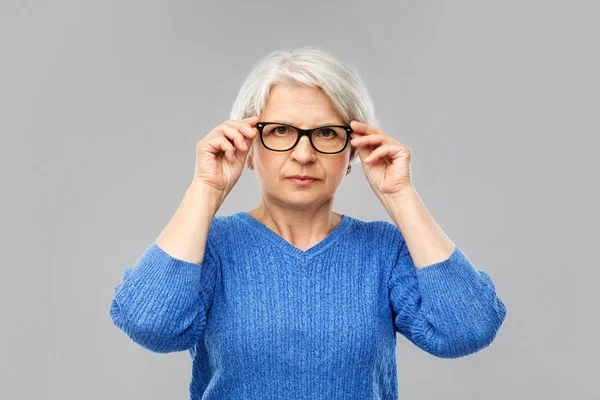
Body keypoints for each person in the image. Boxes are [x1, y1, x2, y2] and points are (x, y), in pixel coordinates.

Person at [109, 46, 508, 400]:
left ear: (352, 151)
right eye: (280, 131)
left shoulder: (384, 250)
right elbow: (150, 326)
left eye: (327, 133)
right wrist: (205, 189)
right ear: (247, 146)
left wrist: (400, 195)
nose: (303, 154)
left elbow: (468, 329)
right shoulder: (209, 246)